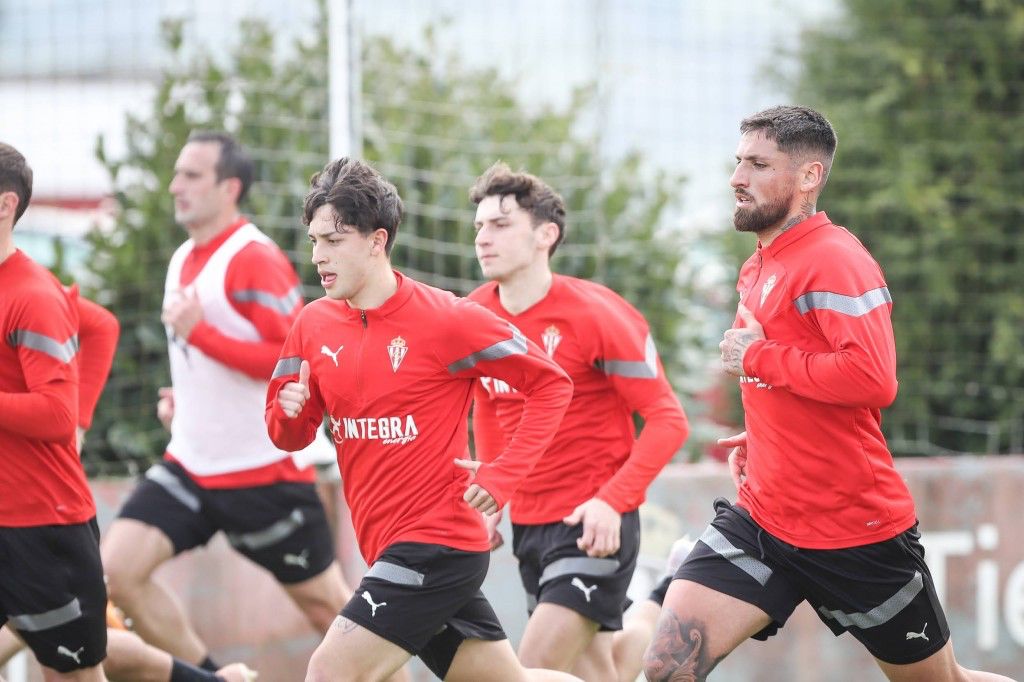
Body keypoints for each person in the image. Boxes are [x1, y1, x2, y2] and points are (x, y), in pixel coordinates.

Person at [642, 106, 1013, 682]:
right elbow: (797, 374)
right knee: (669, 668)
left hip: (854, 532)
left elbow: (872, 379)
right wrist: (765, 434)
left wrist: (757, 357)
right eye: (738, 162)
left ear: (809, 176)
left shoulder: (835, 260)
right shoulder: (758, 264)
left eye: (758, 164)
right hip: (763, 519)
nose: (737, 177)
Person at [265, 157, 583, 682]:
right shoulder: (311, 324)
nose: (318, 255)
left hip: (438, 543)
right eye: (314, 240)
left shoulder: (448, 319)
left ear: (377, 241)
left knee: (330, 672)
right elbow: (288, 436)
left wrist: (504, 474)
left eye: (334, 240)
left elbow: (552, 384)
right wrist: (287, 413)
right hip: (387, 547)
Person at [100, 132, 349, 672]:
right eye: (177, 174)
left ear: (229, 188)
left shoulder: (253, 258)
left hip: (263, 474)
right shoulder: (181, 259)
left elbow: (292, 359)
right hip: (190, 466)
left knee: (336, 614)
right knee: (117, 572)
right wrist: (188, 403)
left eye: (192, 175)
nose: (175, 186)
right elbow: (212, 365)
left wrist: (202, 335)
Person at [466, 163, 690, 681]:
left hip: (594, 523)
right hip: (530, 525)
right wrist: (495, 493)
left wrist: (612, 502)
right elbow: (490, 406)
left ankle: (664, 589)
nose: (483, 238)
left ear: (546, 235)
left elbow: (668, 421)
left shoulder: (598, 314)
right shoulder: (473, 317)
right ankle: (667, 592)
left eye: (500, 225)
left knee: (531, 670)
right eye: (478, 226)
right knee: (603, 670)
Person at [0, 141, 113, 681]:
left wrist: (80, 419)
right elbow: (103, 324)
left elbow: (55, 414)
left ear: (5, 206)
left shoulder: (33, 296)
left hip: (41, 530)